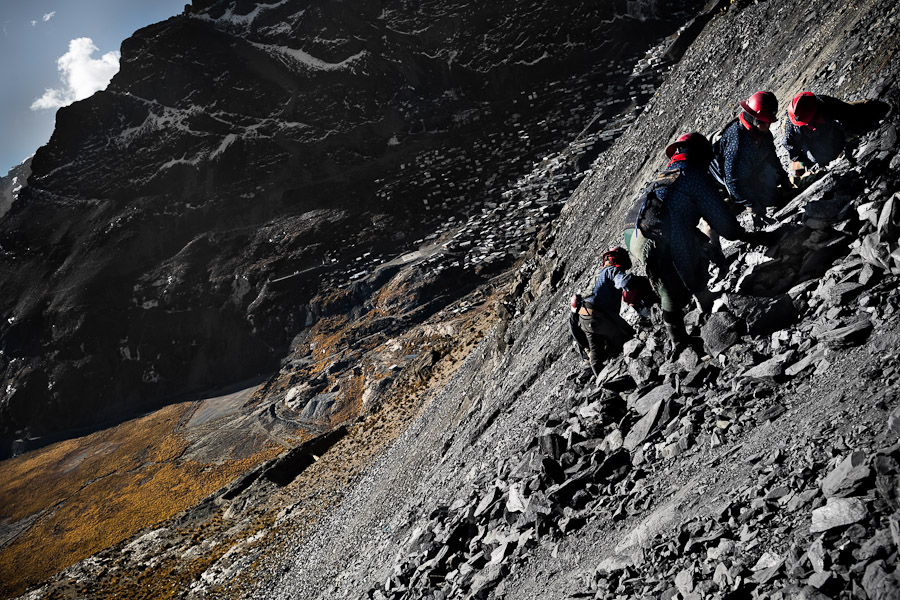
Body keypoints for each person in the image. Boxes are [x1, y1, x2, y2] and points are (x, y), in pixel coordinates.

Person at [625, 132, 768, 356]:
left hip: (632, 232)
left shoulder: (666, 175)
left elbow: (682, 223)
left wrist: (707, 247)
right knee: (674, 277)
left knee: (671, 271)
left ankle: (683, 325)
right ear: (701, 156)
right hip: (657, 233)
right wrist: (749, 236)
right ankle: (680, 340)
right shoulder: (693, 176)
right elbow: (721, 221)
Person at [710, 91, 791, 220]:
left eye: (769, 122)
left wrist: (783, 180)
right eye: (764, 122)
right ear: (754, 119)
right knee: (729, 210)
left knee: (774, 198)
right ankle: (732, 202)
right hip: (723, 179)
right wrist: (751, 206)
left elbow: (772, 157)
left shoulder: (763, 133)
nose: (768, 125)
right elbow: (732, 180)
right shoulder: (737, 142)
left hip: (750, 168)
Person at [782, 91, 889, 183]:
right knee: (817, 157)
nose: (808, 124)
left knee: (853, 123)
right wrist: (801, 165)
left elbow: (846, 110)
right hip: (809, 141)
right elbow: (792, 149)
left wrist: (866, 114)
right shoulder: (791, 128)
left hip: (826, 127)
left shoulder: (823, 103)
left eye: (810, 121)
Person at [571, 246, 638, 377]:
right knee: (627, 338)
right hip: (599, 317)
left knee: (596, 356)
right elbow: (623, 282)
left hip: (585, 319)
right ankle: (630, 373)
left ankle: (602, 383)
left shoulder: (597, 277)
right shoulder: (611, 271)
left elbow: (573, 324)